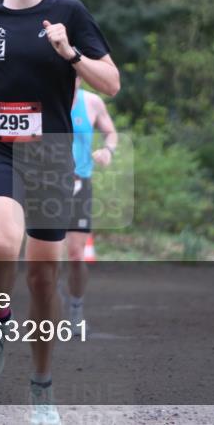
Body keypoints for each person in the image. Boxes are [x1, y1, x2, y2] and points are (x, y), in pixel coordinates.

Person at [0, 0, 119, 425]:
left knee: (43, 281)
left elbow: (111, 83)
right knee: (3, 241)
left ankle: (42, 386)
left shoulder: (69, 13)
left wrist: (70, 53)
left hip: (51, 156)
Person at [64, 77, 118, 334]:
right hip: (45, 184)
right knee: (47, 256)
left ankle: (75, 309)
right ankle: (48, 306)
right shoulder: (43, 98)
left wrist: (108, 151)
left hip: (79, 185)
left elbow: (111, 133)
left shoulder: (92, 103)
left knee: (75, 255)